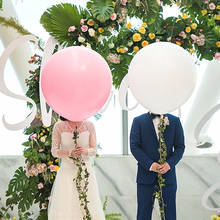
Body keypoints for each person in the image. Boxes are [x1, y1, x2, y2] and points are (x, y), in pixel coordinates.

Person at [130, 112, 185, 220]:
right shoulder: (138, 121)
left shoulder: (174, 121)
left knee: (169, 215)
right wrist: (150, 164)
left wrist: (169, 164)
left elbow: (180, 147)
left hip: (168, 177)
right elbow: (134, 146)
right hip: (145, 177)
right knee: (143, 215)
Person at [48, 117, 105, 220]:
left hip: (85, 171)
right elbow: (54, 151)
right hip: (66, 171)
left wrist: (84, 151)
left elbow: (94, 149)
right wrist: (70, 152)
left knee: (87, 202)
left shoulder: (89, 125)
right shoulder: (59, 126)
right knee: (66, 203)